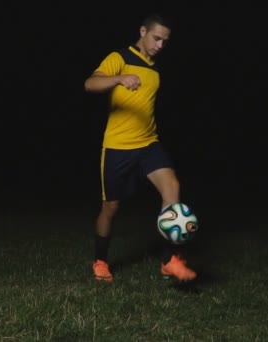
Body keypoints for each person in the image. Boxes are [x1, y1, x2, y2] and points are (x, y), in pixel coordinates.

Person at [84, 13, 197, 283]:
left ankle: (170, 260)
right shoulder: (119, 58)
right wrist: (118, 79)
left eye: (165, 41)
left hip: (148, 144)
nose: (160, 45)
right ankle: (100, 260)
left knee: (172, 187)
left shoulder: (155, 70)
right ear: (143, 31)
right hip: (117, 147)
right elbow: (90, 83)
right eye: (156, 38)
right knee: (110, 208)